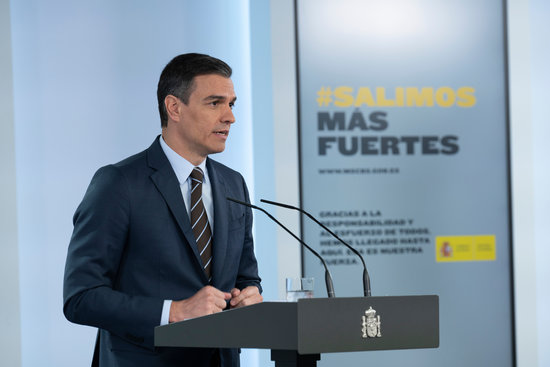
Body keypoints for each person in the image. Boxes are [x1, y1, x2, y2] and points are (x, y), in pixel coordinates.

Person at [63, 53, 263, 367]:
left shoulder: (233, 184)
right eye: (214, 103)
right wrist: (175, 311)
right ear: (174, 108)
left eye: (231, 104)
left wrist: (249, 296)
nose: (229, 117)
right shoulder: (119, 183)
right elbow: (81, 298)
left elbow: (246, 277)